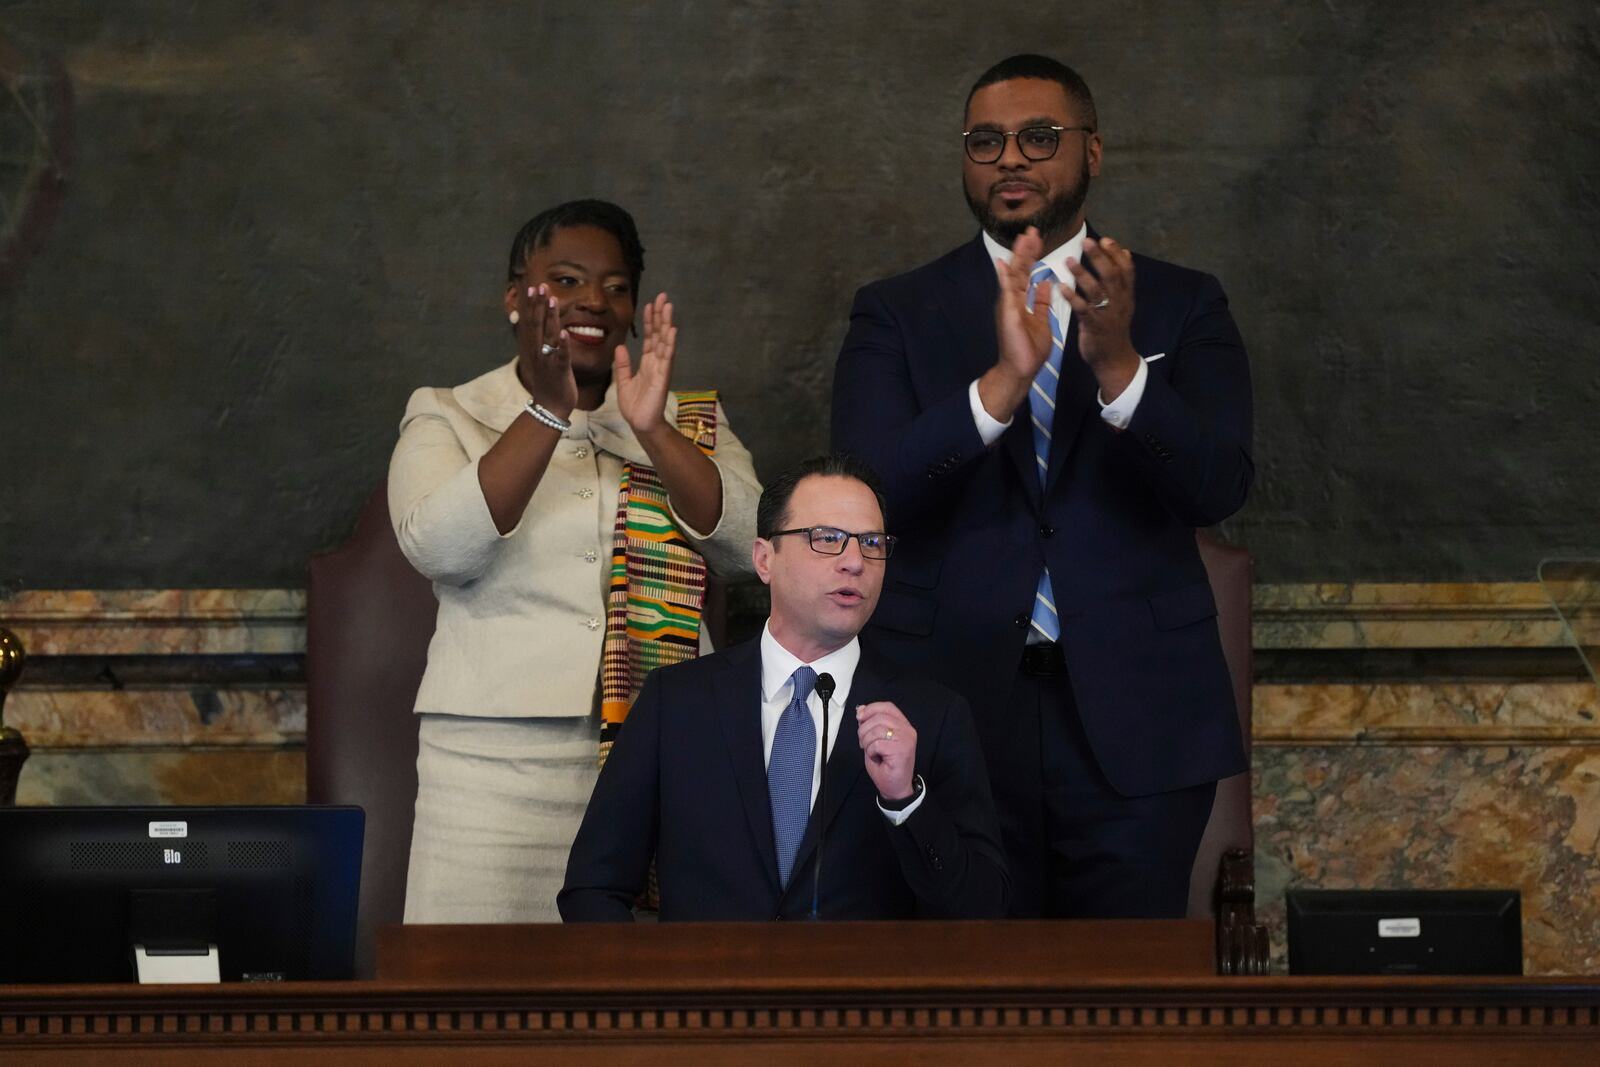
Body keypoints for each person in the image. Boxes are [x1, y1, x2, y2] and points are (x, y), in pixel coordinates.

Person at [831, 55, 1253, 919]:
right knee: (968, 1003)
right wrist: (998, 390)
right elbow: (868, 498)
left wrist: (1124, 370)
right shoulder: (897, 312)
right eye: (986, 141)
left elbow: (1219, 486)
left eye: (1038, 137)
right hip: (953, 711)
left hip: (1141, 716)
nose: (1010, 158)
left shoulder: (1183, 303)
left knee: (1127, 1011)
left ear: (1092, 153)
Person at [388, 199, 761, 923]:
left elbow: (756, 549)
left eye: (616, 286)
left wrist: (650, 430)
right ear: (513, 297)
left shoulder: (683, 421)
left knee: (642, 1015)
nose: (594, 300)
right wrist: (547, 412)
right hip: (490, 776)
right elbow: (437, 547)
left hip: (662, 762)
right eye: (565, 280)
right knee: (471, 1005)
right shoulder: (448, 412)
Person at [559, 454, 1008, 921]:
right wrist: (653, 993)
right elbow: (593, 886)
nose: (855, 562)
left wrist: (907, 802)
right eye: (827, 538)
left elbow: (982, 910)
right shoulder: (676, 702)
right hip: (703, 991)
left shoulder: (932, 715)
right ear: (764, 559)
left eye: (872, 543)